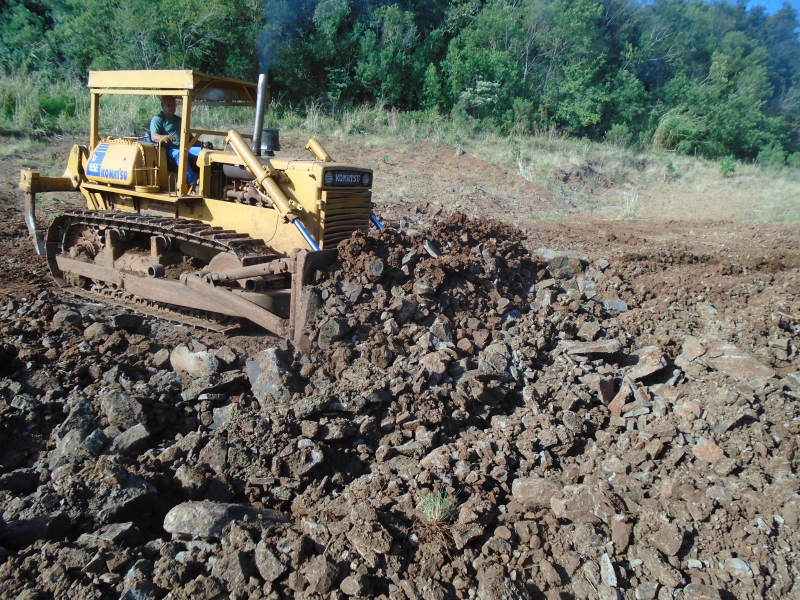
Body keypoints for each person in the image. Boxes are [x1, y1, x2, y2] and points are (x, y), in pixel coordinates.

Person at [150, 97, 202, 186]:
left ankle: (210, 180)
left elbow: (190, 137)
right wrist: (163, 137)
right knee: (180, 154)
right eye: (169, 105)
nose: (172, 107)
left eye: (173, 105)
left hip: (186, 147)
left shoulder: (180, 120)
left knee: (204, 152)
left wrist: (202, 144)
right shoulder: (158, 119)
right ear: (163, 105)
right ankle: (194, 183)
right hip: (170, 149)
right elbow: (154, 137)